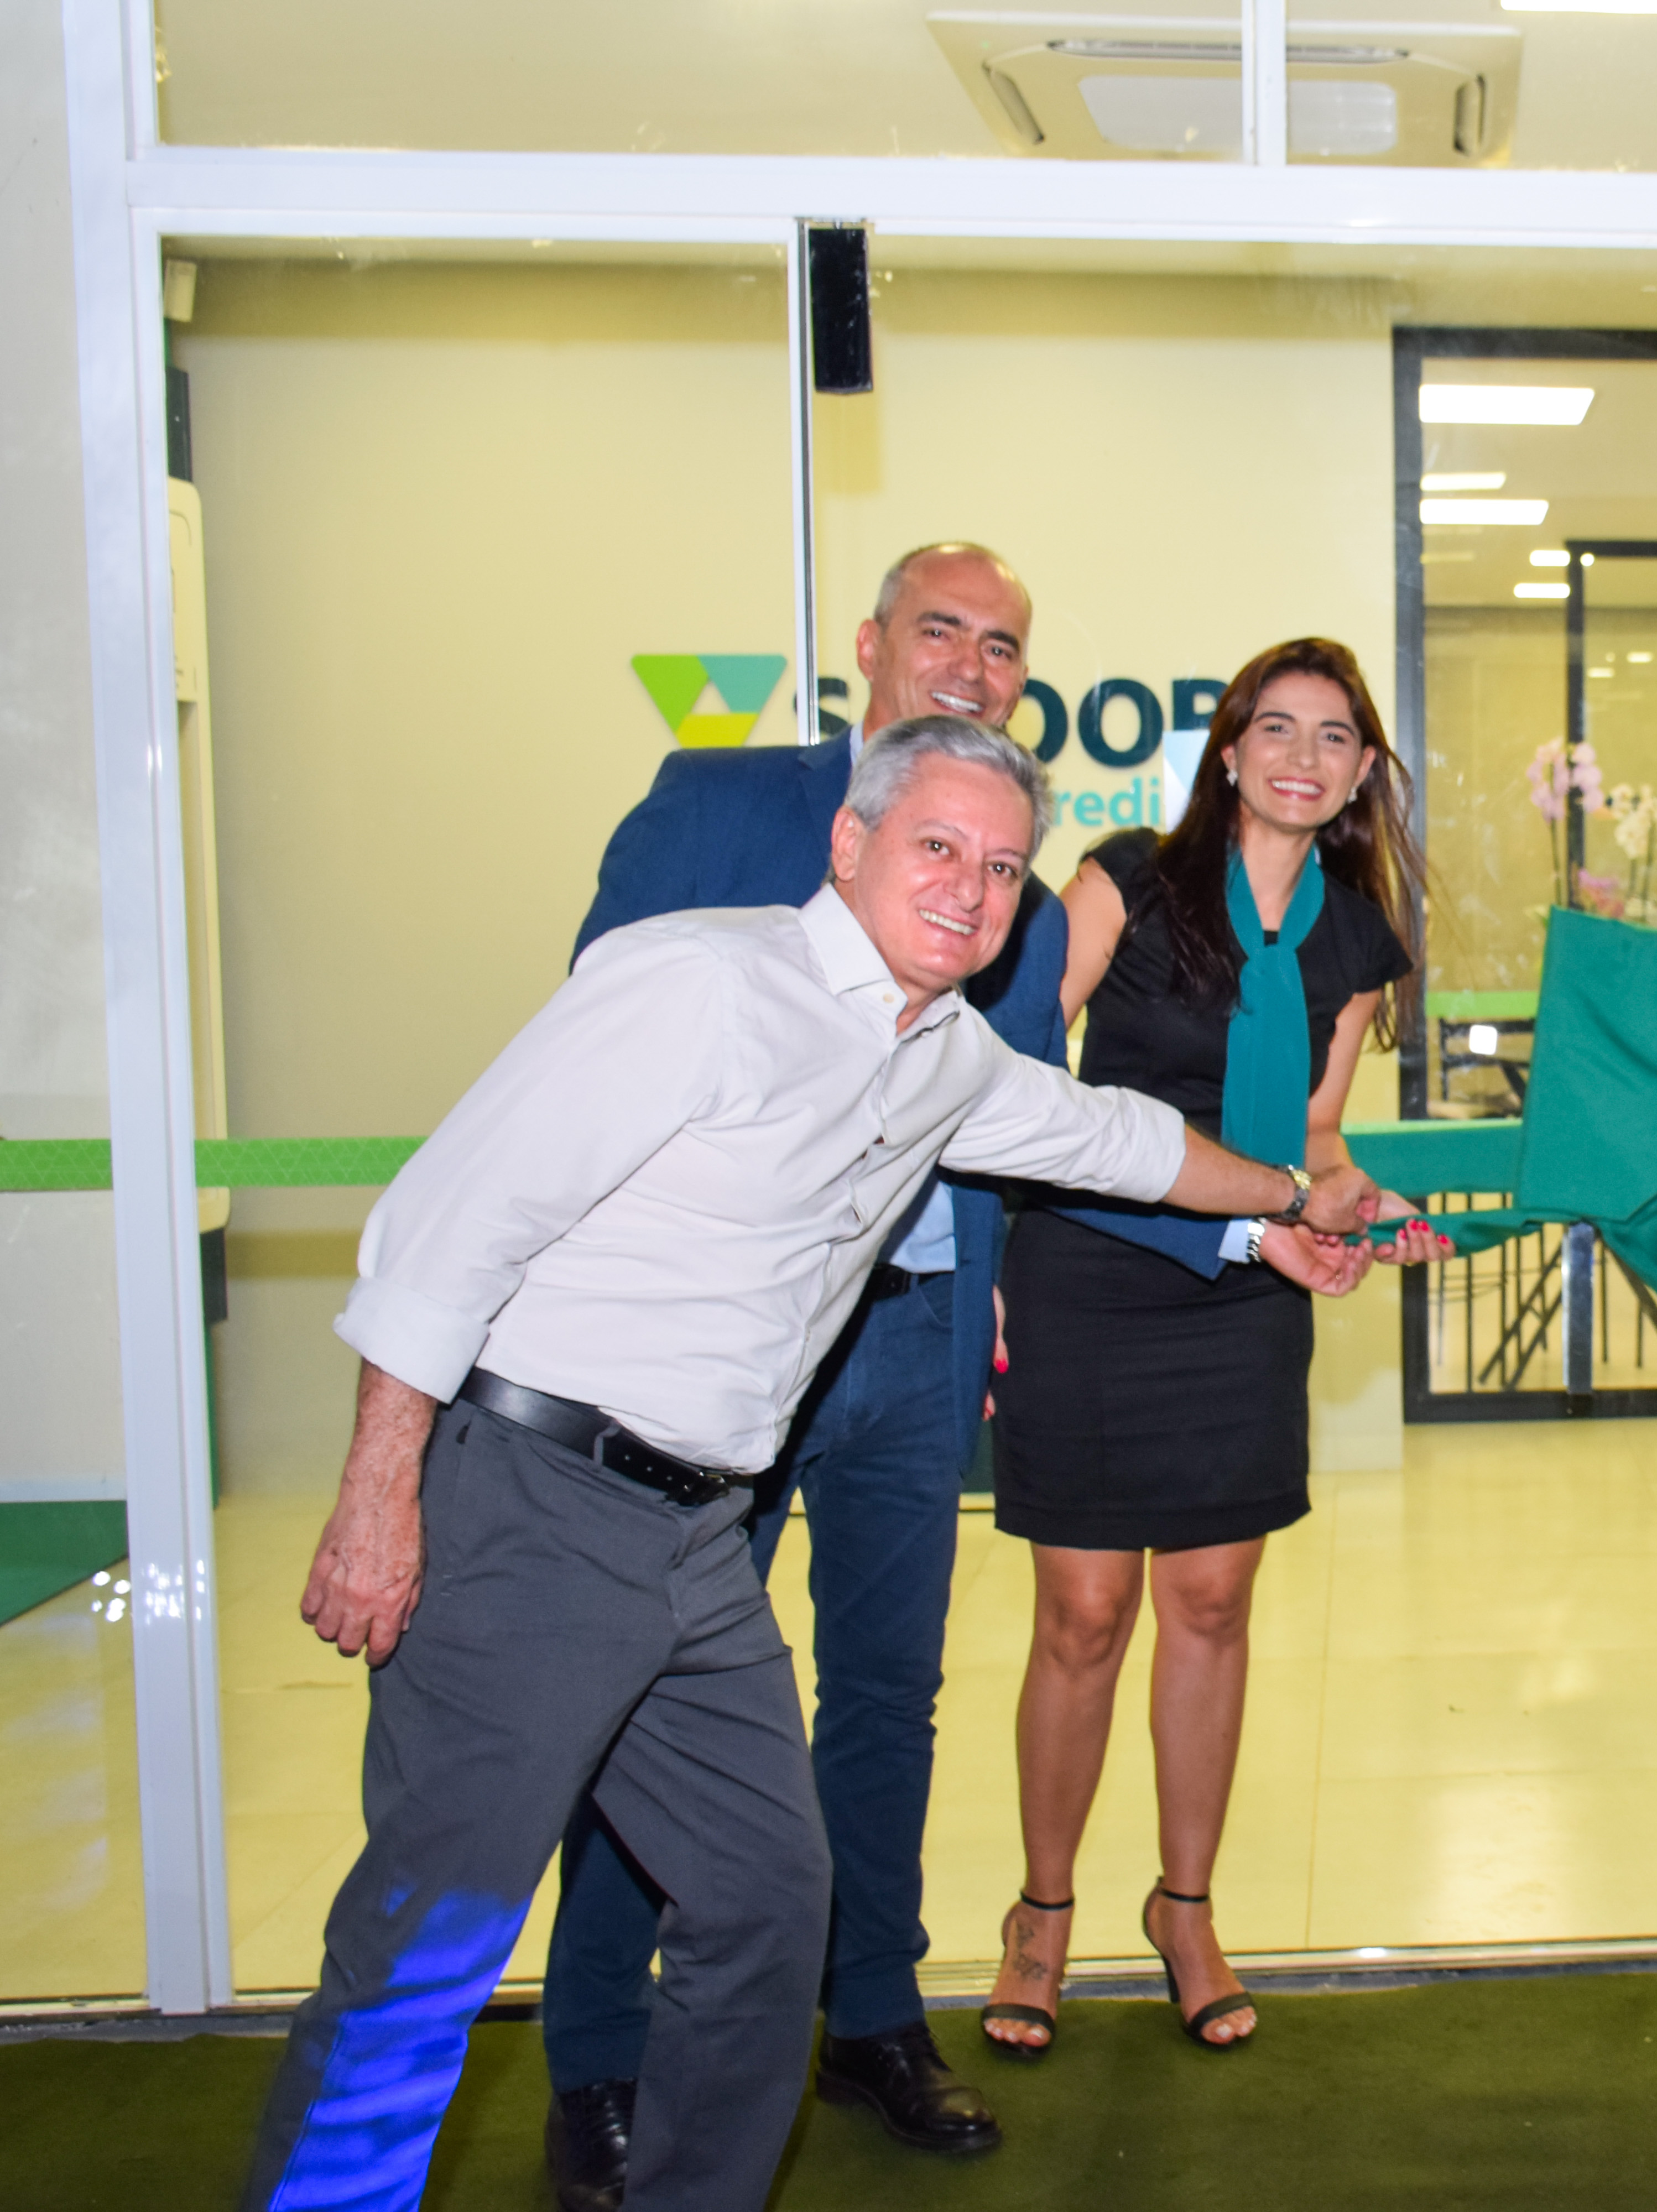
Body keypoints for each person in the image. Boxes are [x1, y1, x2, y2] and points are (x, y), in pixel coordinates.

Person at [245, 716, 1380, 2212]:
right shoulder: (698, 982)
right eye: (937, 847)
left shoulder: (945, 1057)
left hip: (697, 1548)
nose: (972, 890)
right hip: (531, 1503)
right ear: (849, 845)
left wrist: (1289, 1198)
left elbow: (1117, 1140)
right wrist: (377, 1499)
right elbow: (443, 1229)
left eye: (1002, 868)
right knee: (426, 1948)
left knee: (770, 1909)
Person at [537, 544, 1142, 2205]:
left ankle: (868, 2013)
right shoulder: (719, 804)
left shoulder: (1019, 889)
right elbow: (597, 1044)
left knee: (887, 1693)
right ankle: (600, 2054)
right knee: (650, 1696)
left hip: (917, 1334)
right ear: (868, 645)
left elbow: (1033, 1124)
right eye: (941, 629)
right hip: (721, 1344)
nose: (972, 663)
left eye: (1003, 645)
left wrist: (1243, 1225)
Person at [977, 638, 1442, 2057]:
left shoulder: (1355, 937)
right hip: (1090, 1265)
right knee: (1083, 1613)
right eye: (1276, 728)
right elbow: (1015, 1076)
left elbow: (1314, 1136)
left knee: (1215, 1603)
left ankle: (1185, 1906)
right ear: (1229, 751)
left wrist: (1361, 1205)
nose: (1305, 756)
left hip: (1243, 1285)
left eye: (1335, 737)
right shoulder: (1128, 880)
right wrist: (990, 1263)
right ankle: (1041, 1912)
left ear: (1361, 774)